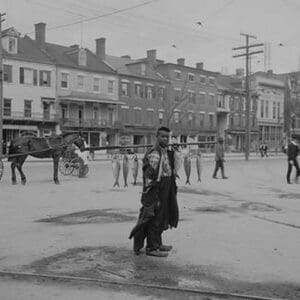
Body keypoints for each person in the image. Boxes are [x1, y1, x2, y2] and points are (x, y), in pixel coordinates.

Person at [129, 127, 179, 257]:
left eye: (167, 137)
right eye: (163, 136)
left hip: (166, 187)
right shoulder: (155, 153)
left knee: (163, 217)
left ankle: (158, 243)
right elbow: (149, 175)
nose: (165, 139)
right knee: (154, 218)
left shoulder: (164, 151)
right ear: (157, 137)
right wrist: (152, 194)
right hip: (157, 189)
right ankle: (151, 247)